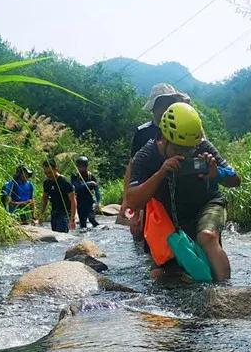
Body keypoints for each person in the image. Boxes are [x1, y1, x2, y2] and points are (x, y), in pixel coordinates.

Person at [126, 102, 241, 282]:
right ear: (164, 137)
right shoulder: (146, 156)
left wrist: (216, 174)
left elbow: (235, 180)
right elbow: (132, 201)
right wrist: (161, 173)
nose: (185, 154)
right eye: (179, 149)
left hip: (207, 206)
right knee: (161, 276)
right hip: (170, 220)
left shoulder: (203, 145)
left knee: (207, 237)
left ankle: (225, 295)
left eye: (190, 149)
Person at [123, 83, 191, 241]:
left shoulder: (183, 126)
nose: (166, 107)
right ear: (153, 108)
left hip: (180, 193)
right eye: (161, 104)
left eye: (169, 103)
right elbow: (132, 168)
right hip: (149, 192)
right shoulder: (143, 132)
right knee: (145, 239)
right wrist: (129, 208)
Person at [40, 158, 76, 232]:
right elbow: (44, 199)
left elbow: (73, 201)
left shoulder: (65, 182)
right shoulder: (46, 183)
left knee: (61, 237)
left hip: (64, 214)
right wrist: (41, 215)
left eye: (50, 172)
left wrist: (72, 219)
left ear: (56, 168)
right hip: (54, 213)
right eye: (46, 173)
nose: (48, 175)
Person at [70, 156, 100, 229]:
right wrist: (88, 184)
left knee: (91, 218)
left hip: (89, 201)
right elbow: (77, 187)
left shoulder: (91, 176)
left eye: (83, 166)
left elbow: (97, 190)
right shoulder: (75, 176)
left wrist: (98, 202)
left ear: (86, 166)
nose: (81, 168)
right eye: (79, 166)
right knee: (83, 224)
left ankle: (99, 230)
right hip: (80, 202)